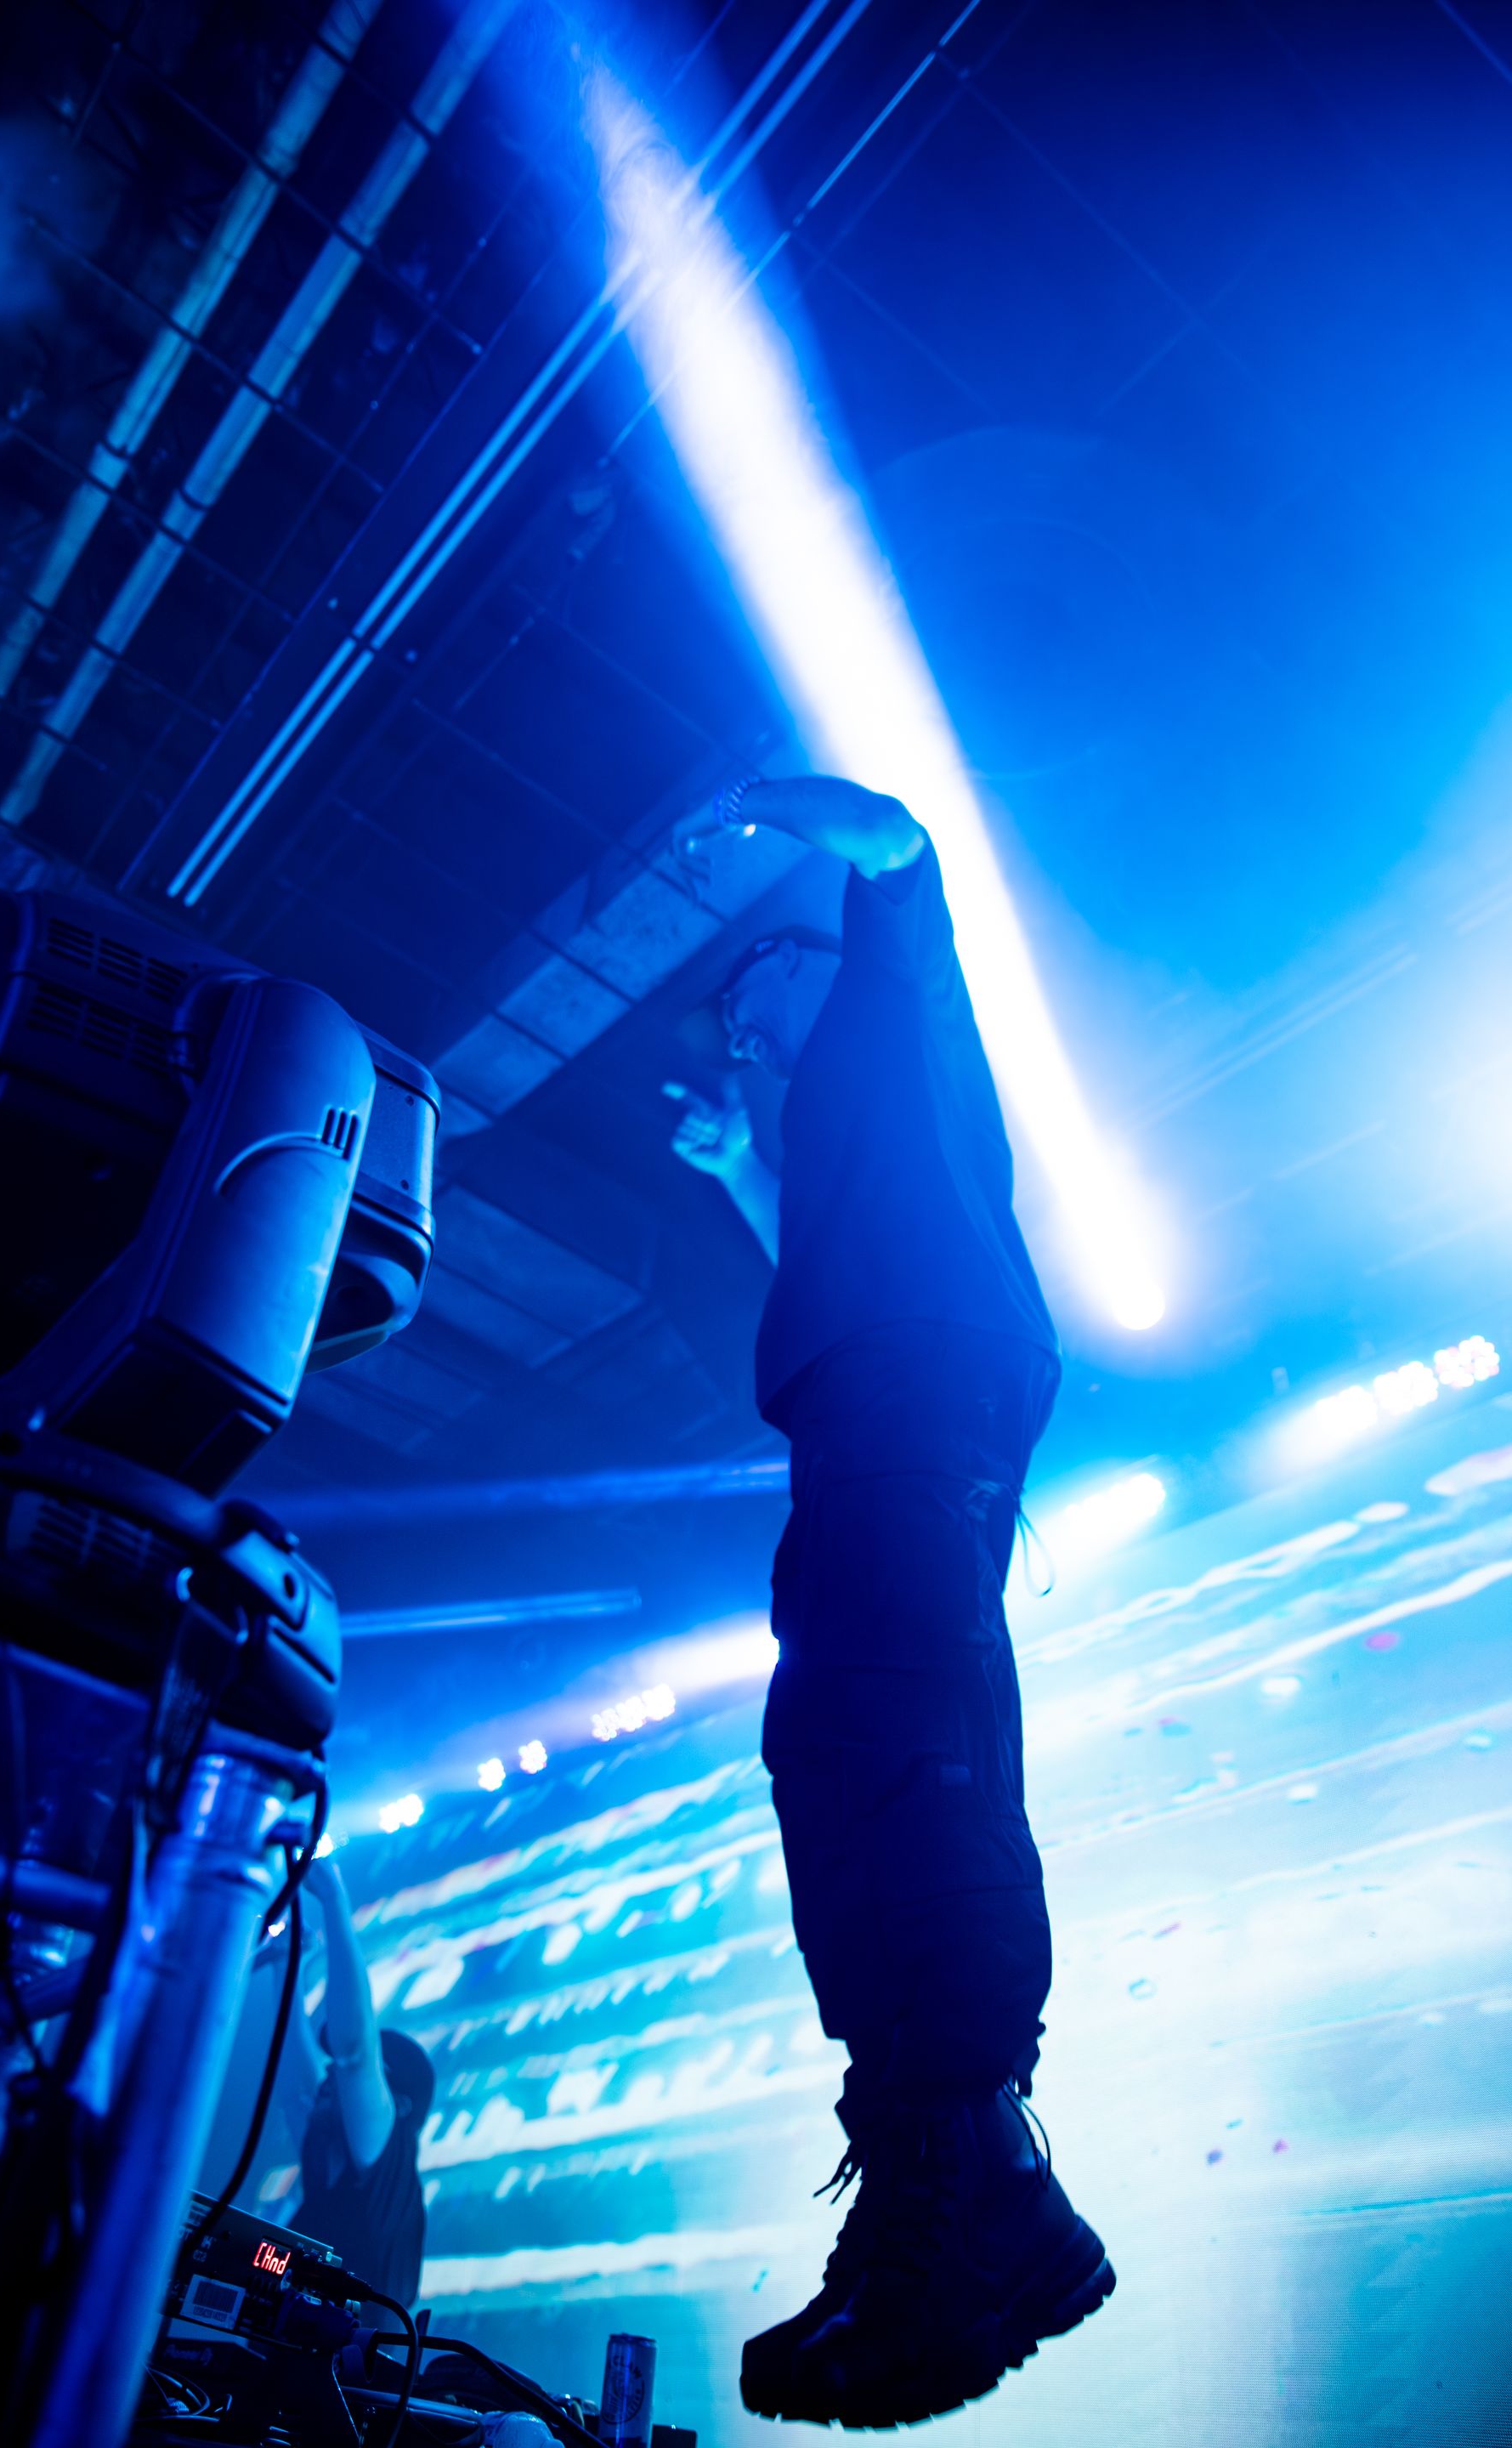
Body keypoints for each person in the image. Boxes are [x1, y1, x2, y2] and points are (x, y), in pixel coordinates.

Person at [667, 774, 1114, 2429]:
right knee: (851, 1757)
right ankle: (950, 2180)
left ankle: (980, 2191)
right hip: (881, 1420)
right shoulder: (850, 1157)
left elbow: (900, 848)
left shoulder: (886, 994)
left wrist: (797, 815)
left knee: (909, 1756)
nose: (741, 1038)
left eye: (746, 1000)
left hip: (916, 1411)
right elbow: (824, 1260)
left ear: (810, 960)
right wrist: (735, 1171)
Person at [273, 1853, 433, 2310]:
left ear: (397, 2105)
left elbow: (355, 2056)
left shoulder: (386, 2158)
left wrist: (333, 1901)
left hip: (356, 2379)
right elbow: (295, 2088)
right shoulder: (328, 2153)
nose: (332, 2080)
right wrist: (288, 1968)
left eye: (367, 2084)